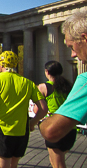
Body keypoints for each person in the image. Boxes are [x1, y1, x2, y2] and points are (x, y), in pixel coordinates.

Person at [0, 51, 48, 168]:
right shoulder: (28, 82)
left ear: (0, 64)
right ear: (16, 64)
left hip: (2, 131)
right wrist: (32, 123)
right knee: (14, 164)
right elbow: (43, 108)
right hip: (22, 131)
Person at [40, 10, 87, 144]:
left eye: (72, 47)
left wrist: (41, 123)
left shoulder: (85, 80)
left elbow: (50, 130)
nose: (72, 54)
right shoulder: (67, 83)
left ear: (84, 38)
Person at [34, 61, 75, 168]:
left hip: (54, 127)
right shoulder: (68, 86)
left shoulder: (43, 87)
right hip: (70, 128)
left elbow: (37, 109)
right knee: (54, 160)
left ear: (47, 72)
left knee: (58, 164)